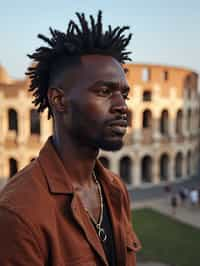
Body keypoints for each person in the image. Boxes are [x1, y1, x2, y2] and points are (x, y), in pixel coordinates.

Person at [0, 11, 141, 266]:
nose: (122, 106)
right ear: (59, 100)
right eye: (104, 91)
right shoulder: (19, 212)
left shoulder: (115, 190)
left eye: (124, 94)